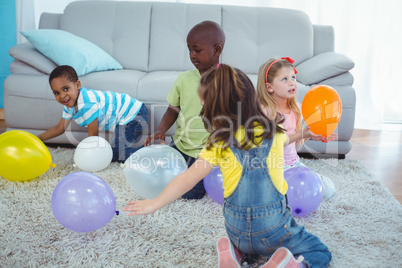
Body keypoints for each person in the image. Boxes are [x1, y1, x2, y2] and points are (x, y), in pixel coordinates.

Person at [123, 64, 332, 268]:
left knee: (246, 234)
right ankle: (292, 265)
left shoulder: (218, 141)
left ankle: (235, 251)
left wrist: (154, 203)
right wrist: (303, 134)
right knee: (320, 252)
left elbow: (188, 178)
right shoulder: (273, 131)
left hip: (237, 230)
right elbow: (284, 141)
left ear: (214, 109)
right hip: (273, 230)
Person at [144, 20, 225, 200]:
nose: (192, 55)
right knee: (154, 170)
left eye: (197, 50)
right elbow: (173, 109)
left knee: (191, 193)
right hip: (180, 144)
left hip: (207, 151)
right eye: (189, 50)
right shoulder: (184, 78)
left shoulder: (227, 81)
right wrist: (160, 130)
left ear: (217, 50)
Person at [256, 57, 336, 200]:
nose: (292, 82)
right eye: (285, 79)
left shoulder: (295, 109)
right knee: (281, 196)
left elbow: (296, 141)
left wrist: (310, 135)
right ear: (269, 87)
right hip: (272, 167)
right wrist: (300, 135)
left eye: (293, 77)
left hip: (293, 163)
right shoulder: (266, 111)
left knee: (328, 190)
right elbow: (273, 143)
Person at [37, 65, 149, 163]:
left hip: (134, 114)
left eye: (66, 89)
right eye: (57, 93)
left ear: (77, 85)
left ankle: (153, 151)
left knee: (117, 154)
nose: (62, 96)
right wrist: (38, 138)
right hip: (126, 119)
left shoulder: (87, 102)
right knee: (115, 151)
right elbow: (60, 128)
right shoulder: (69, 105)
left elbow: (93, 134)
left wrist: (90, 156)